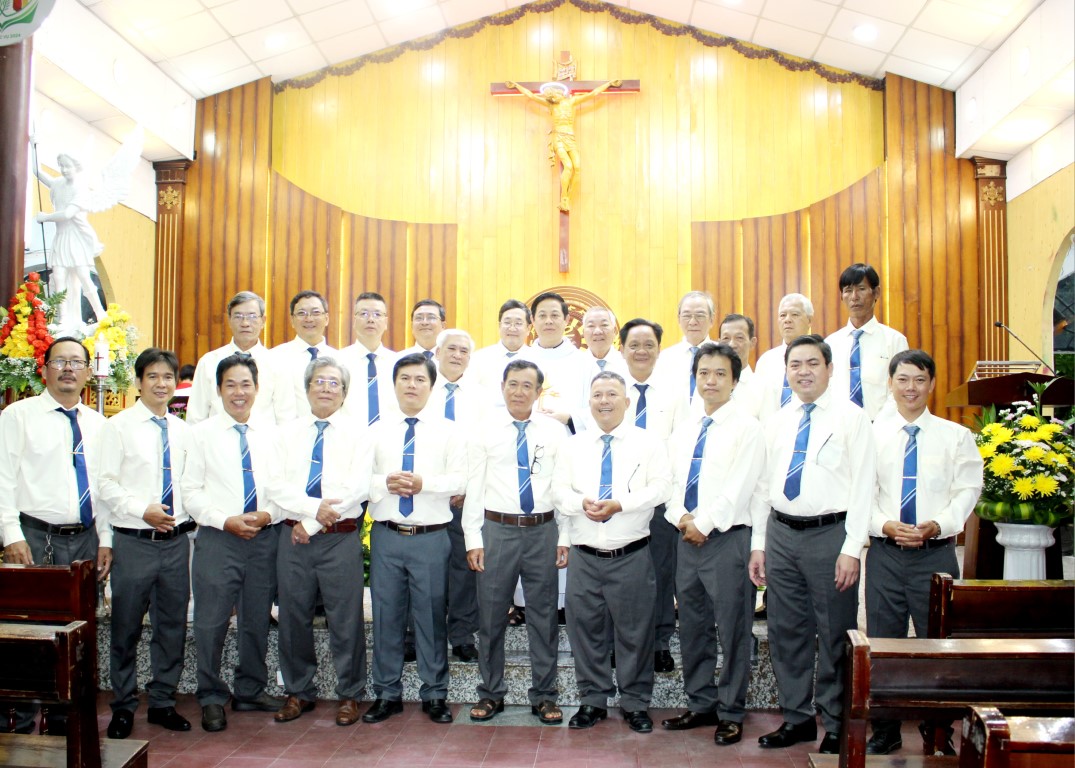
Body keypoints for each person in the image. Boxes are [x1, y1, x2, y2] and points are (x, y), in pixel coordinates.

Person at [749, 335, 876, 754]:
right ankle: (797, 718)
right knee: (786, 631)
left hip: (830, 536)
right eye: (795, 364)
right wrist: (759, 544)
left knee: (835, 631)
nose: (803, 371)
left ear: (830, 368)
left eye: (813, 363)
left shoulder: (852, 418)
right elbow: (763, 487)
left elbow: (864, 487)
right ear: (786, 371)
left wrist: (852, 548)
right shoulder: (776, 421)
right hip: (782, 533)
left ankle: (837, 721)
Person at [864, 350, 983, 756]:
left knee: (938, 643)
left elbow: (966, 491)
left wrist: (938, 523)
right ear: (890, 384)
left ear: (931, 383)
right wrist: (884, 524)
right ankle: (886, 728)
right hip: (885, 553)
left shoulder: (956, 436)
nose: (910, 388)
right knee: (883, 641)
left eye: (919, 379)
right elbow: (861, 493)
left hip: (935, 555)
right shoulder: (871, 435)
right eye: (902, 379)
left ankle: (938, 729)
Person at [0, 337, 111, 734]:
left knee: (78, 631)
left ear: (88, 372)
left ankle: (67, 720)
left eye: (76, 362)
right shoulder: (18, 416)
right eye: (60, 361)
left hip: (85, 538)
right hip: (34, 536)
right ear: (44, 368)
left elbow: (104, 489)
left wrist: (106, 539)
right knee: (31, 632)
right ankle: (20, 721)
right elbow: (3, 478)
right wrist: (11, 535)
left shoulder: (99, 425)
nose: (68, 368)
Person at [552, 371, 672, 733]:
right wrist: (580, 503)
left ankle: (635, 703)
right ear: (589, 403)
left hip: (631, 555)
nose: (604, 401)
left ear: (627, 401)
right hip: (585, 556)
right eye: (598, 395)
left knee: (635, 633)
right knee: (585, 632)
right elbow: (558, 492)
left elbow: (661, 488)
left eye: (612, 394)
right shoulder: (573, 446)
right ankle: (592, 700)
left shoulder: (648, 443)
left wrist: (621, 504)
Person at [660, 342, 764, 746]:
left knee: (733, 629)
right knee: (693, 626)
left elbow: (739, 488)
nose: (711, 380)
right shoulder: (685, 429)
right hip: (686, 540)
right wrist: (681, 518)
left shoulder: (747, 428)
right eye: (704, 373)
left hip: (727, 540)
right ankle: (701, 703)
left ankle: (732, 711)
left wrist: (702, 523)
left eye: (721, 373)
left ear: (734, 380)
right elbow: (671, 483)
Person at [182, 354, 285, 732]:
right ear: (218, 389)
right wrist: (224, 520)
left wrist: (269, 514)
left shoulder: (273, 434)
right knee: (210, 621)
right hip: (218, 538)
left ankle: (250, 690)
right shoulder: (200, 434)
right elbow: (190, 491)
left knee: (256, 618)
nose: (239, 392)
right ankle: (210, 696)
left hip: (263, 538)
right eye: (231, 385)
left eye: (246, 384)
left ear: (257, 388)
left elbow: (283, 487)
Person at [362, 354, 467, 725]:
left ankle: (435, 693)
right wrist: (383, 483)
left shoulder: (449, 432)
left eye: (420, 379)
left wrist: (426, 484)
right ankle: (386, 693)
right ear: (394, 385)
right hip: (388, 536)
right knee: (386, 616)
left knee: (431, 617)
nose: (411, 385)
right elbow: (358, 479)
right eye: (404, 378)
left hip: (431, 537)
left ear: (431, 386)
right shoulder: (375, 431)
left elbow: (461, 479)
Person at [463, 359, 570, 724]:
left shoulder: (555, 432)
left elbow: (562, 486)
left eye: (527, 386)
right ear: (502, 387)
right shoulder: (484, 430)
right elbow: (474, 487)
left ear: (538, 392)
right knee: (491, 616)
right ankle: (491, 692)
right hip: (498, 531)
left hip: (543, 530)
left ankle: (545, 696)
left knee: (544, 617)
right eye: (513, 384)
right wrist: (473, 539)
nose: (519, 391)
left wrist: (565, 536)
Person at [98, 348, 195, 739]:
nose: (160, 383)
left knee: (171, 627)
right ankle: (123, 706)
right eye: (152, 376)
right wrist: (143, 510)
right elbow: (105, 484)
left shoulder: (184, 431)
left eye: (167, 377)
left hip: (176, 543)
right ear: (138, 382)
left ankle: (162, 702)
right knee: (125, 628)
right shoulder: (117, 427)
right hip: (134, 542)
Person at [272, 357, 371, 727]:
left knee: (345, 619)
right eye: (320, 381)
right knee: (292, 617)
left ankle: (350, 694)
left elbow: (357, 487)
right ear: (307, 387)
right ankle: (298, 691)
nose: (326, 389)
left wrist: (311, 523)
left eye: (334, 383)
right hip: (293, 537)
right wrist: (310, 512)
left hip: (338, 539)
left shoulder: (359, 434)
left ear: (344, 393)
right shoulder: (286, 433)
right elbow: (275, 484)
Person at [619, 318, 690, 673]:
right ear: (622, 349)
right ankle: (621, 642)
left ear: (660, 350)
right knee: (622, 574)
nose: (641, 351)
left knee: (661, 572)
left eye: (649, 344)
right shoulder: (611, 390)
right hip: (619, 501)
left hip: (661, 499)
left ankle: (661, 641)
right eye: (634, 344)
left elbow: (683, 446)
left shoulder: (675, 392)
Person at [425, 329, 482, 662]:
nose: (457, 355)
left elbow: (482, 449)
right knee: (425, 571)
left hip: (464, 498)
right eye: (451, 349)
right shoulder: (421, 389)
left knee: (463, 569)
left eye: (464, 350)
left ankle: (461, 634)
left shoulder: (480, 397)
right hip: (426, 497)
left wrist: (466, 489)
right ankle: (419, 634)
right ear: (437, 352)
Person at [504, 79, 622, 212]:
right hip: (558, 138)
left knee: (577, 168)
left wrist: (609, 84)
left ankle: (568, 196)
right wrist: (516, 85)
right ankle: (564, 197)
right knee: (568, 166)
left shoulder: (572, 101)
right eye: (553, 96)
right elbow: (531, 96)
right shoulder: (550, 105)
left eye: (556, 94)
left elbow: (593, 94)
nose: (555, 96)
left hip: (570, 137)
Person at [186, 291, 294, 425]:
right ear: (229, 320)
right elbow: (196, 418)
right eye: (238, 316)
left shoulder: (278, 364)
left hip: (263, 438)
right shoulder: (209, 362)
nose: (245, 323)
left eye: (252, 316)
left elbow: (286, 419)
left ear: (263, 321)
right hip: (217, 437)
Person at [32, 154, 108, 330]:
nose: (64, 170)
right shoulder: (58, 183)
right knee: (59, 277)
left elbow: (67, 213)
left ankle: (101, 314)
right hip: (61, 237)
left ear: (76, 167)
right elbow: (37, 171)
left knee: (84, 277)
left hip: (76, 237)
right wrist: (33, 146)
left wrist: (46, 217)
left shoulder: (81, 189)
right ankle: (63, 319)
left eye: (67, 166)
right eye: (61, 166)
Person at [825, 264, 909, 420]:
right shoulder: (830, 343)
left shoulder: (895, 340)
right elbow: (825, 389)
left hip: (882, 425)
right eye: (848, 290)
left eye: (861, 289)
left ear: (876, 292)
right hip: (840, 426)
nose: (854, 297)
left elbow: (900, 389)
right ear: (841, 296)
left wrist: (879, 425)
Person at [521, 291, 587, 426]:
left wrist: (570, 419)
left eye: (555, 315)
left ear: (566, 320)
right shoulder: (520, 362)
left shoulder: (584, 363)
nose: (548, 321)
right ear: (532, 320)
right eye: (542, 315)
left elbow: (595, 409)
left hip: (569, 436)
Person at [271, 291, 336, 419]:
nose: (309, 319)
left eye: (315, 313)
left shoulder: (340, 360)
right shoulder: (274, 357)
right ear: (292, 320)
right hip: (287, 430)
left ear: (326, 318)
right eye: (301, 313)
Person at [338, 292, 399, 425]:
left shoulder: (398, 363)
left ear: (386, 322)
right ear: (354, 321)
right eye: (364, 314)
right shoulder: (338, 361)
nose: (370, 319)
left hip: (390, 434)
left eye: (377, 314)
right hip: (348, 434)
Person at [754, 293, 814, 412]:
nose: (787, 320)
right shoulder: (765, 361)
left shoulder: (819, 359)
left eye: (795, 314)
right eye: (783, 315)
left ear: (809, 321)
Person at [654, 291, 716, 404]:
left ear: (712, 319)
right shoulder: (665, 358)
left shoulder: (723, 356)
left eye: (700, 316)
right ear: (678, 319)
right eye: (687, 316)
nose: (693, 322)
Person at [470, 299, 532, 398]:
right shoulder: (478, 358)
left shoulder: (537, 358)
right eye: (507, 322)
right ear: (499, 326)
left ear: (528, 329)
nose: (512, 328)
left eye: (518, 323)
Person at [718, 313, 766, 418]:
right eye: (726, 338)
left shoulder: (764, 388)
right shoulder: (708, 385)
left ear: (752, 342)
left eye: (739, 338)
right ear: (719, 343)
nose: (731, 344)